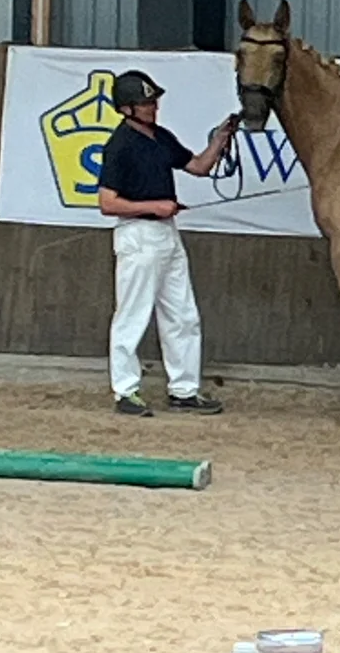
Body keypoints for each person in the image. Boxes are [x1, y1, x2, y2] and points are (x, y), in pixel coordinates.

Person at [98, 69, 238, 417]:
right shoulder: (120, 146)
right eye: (146, 103)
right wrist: (153, 206)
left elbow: (198, 166)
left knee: (182, 314)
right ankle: (125, 391)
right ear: (128, 108)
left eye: (153, 101)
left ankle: (184, 389)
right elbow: (107, 202)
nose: (153, 107)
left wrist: (220, 140)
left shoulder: (161, 137)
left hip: (166, 234)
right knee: (132, 315)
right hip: (138, 233)